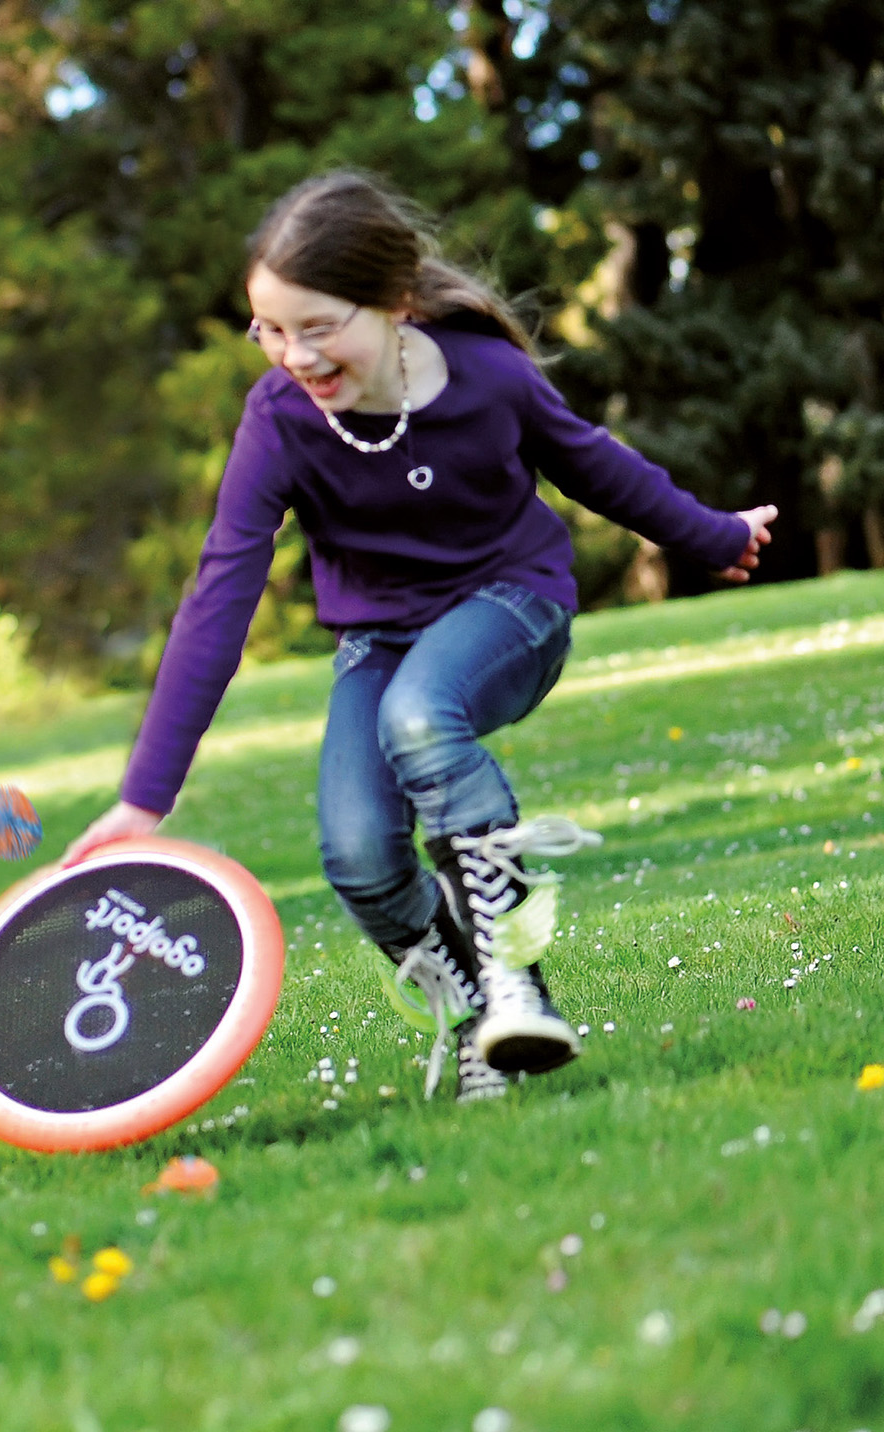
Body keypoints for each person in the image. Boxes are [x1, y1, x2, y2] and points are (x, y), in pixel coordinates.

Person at [63, 172, 774, 1101]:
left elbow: (595, 464)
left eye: (319, 327)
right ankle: (488, 1019)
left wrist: (713, 535)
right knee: (357, 856)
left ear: (395, 303)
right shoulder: (279, 423)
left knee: (419, 713)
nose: (294, 355)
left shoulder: (488, 378)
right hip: (382, 639)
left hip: (513, 606)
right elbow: (219, 598)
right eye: (269, 329)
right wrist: (144, 798)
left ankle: (515, 971)